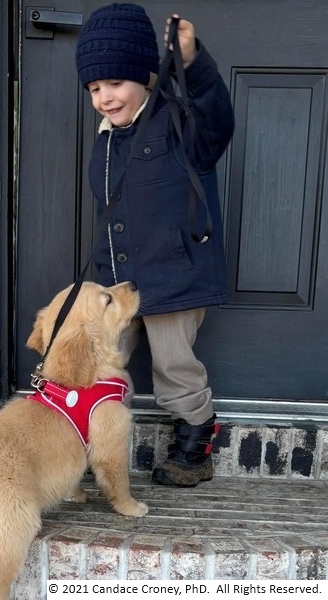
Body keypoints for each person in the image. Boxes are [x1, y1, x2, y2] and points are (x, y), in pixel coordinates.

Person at [75, 3, 234, 487]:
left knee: (174, 364)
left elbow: (217, 119)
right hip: (118, 281)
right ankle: (90, 440)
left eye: (116, 83)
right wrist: (99, 281)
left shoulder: (180, 122)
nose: (105, 97)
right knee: (104, 356)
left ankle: (195, 439)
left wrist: (192, 62)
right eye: (95, 88)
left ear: (145, 76)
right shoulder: (105, 140)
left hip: (175, 271)